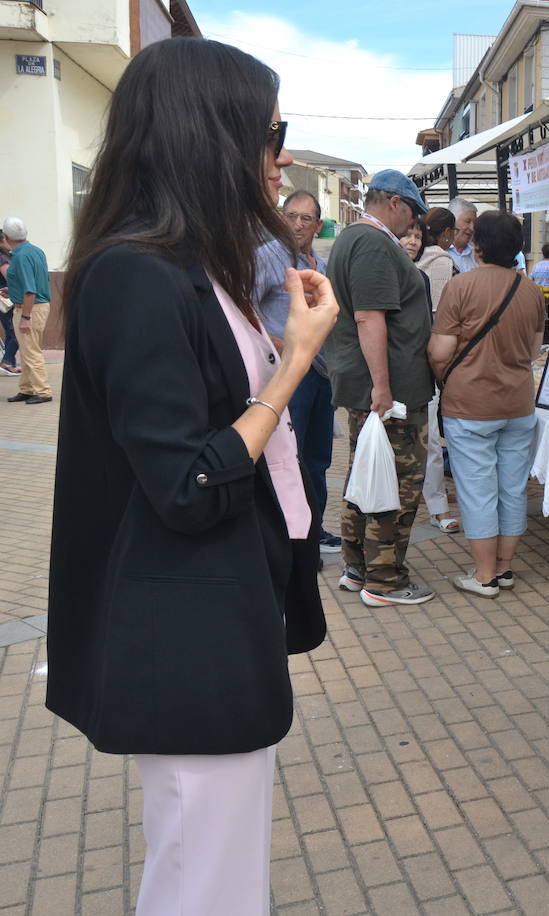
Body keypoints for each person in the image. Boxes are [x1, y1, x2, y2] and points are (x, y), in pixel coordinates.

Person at [47, 37, 338, 914]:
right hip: (181, 623)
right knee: (202, 877)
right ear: (208, 137)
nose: (279, 153)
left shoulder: (196, 270)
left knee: (211, 864)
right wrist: (292, 367)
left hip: (215, 606)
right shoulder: (137, 277)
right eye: (270, 129)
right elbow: (185, 482)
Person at [325, 169, 437, 607]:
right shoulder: (372, 242)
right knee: (397, 483)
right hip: (393, 395)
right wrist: (383, 389)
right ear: (393, 202)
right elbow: (370, 317)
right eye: (410, 213)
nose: (413, 224)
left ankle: (358, 569)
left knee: (367, 476)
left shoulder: (356, 239)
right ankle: (386, 580)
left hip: (379, 389)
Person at [428, 211, 544, 597]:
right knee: (513, 488)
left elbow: (441, 350)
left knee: (477, 490)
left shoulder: (461, 287)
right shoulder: (529, 291)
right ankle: (505, 568)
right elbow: (531, 351)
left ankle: (483, 575)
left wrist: (445, 373)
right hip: (519, 402)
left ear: (477, 245)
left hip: (470, 404)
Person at [254, 189, 340, 553]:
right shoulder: (266, 256)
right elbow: (242, 306)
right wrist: (275, 342)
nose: (298, 224)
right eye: (291, 215)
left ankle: (314, 531)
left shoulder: (318, 264)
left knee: (318, 458)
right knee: (291, 457)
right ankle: (293, 541)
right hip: (290, 375)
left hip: (320, 374)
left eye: (306, 218)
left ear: (318, 225)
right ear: (280, 217)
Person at [417, 207, 462, 533]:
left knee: (425, 438)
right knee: (433, 438)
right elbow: (439, 318)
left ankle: (431, 497)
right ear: (446, 234)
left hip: (413, 359)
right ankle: (437, 506)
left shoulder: (419, 260)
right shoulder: (442, 262)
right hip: (431, 361)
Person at [1, 217, 53, 403]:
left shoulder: (20, 256)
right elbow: (42, 280)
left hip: (29, 308)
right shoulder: (35, 251)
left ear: (6, 236)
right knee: (26, 350)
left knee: (31, 351)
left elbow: (30, 289)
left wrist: (25, 316)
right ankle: (27, 389)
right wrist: (12, 290)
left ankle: (43, 391)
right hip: (37, 306)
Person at [446, 197, 478, 274]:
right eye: (468, 221)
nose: (472, 228)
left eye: (475, 223)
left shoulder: (477, 254)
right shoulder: (440, 252)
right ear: (453, 221)